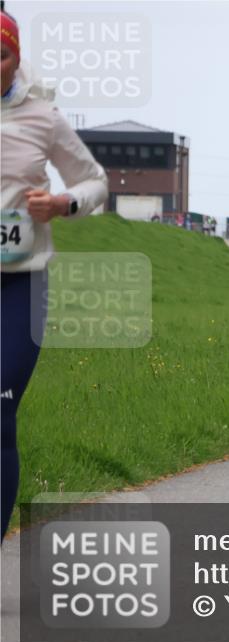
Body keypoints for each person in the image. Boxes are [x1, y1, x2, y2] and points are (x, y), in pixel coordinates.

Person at [1, 9, 109, 538]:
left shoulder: (42, 115)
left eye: (0, 56)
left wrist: (63, 203)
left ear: (16, 59)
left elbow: (94, 181)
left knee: (0, 410)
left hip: (22, 281)